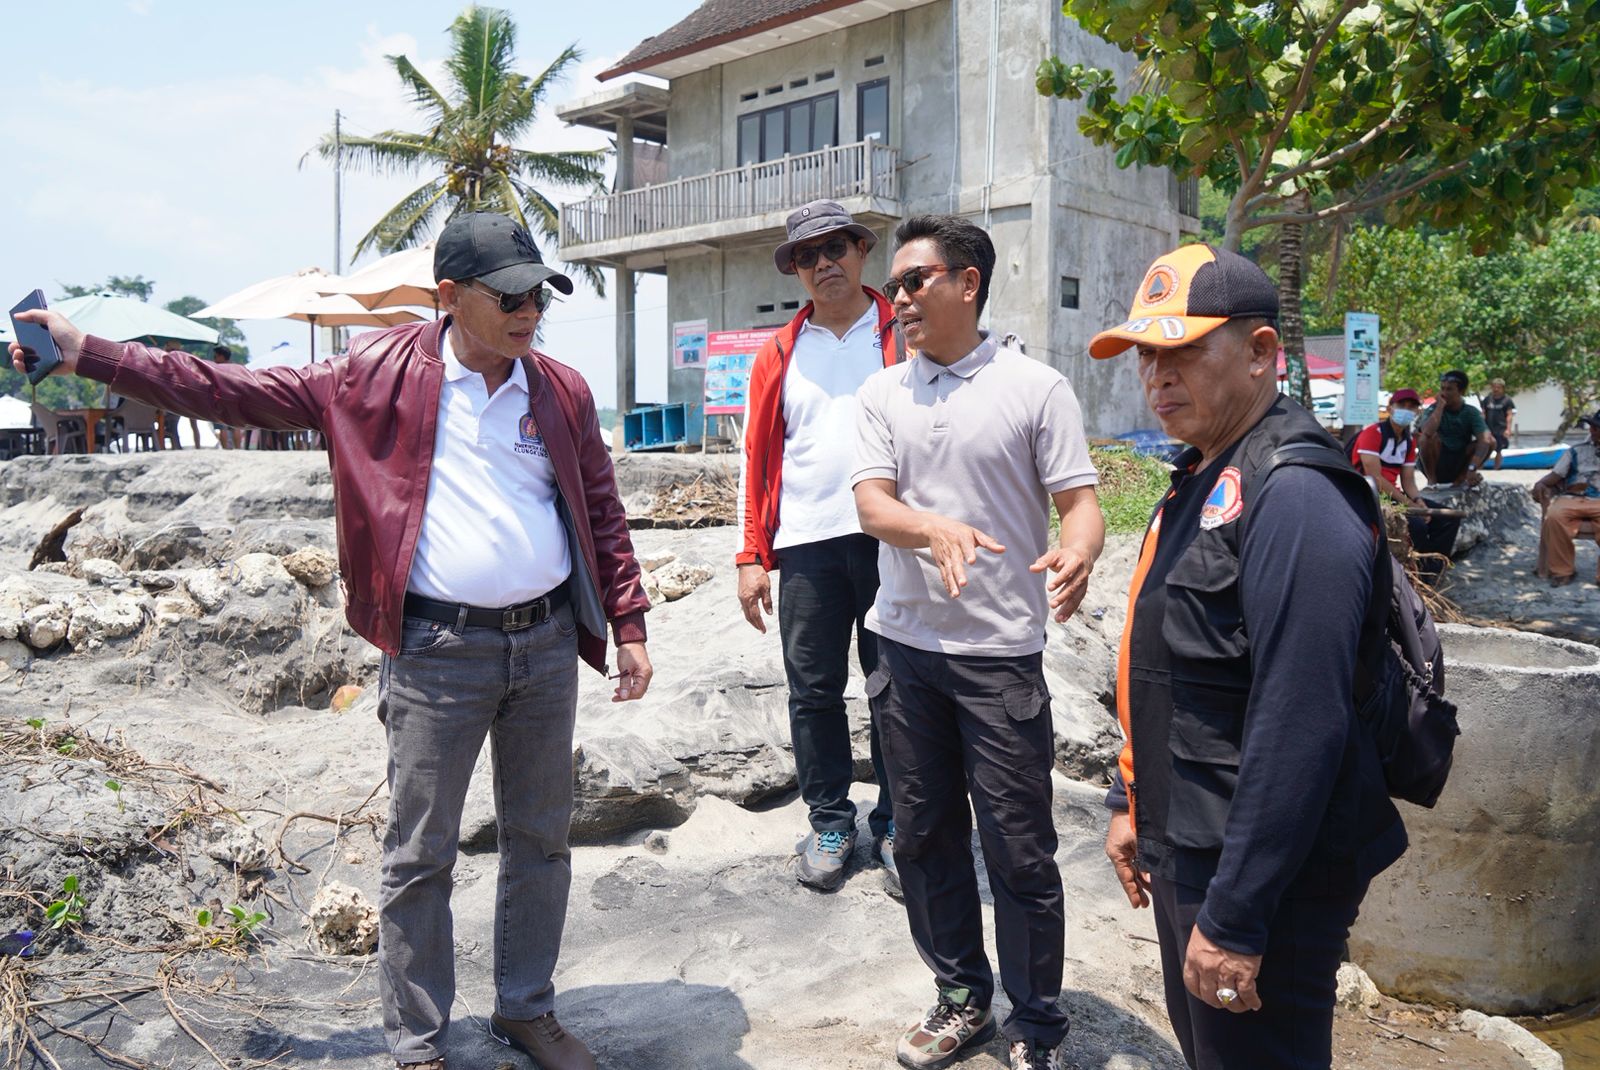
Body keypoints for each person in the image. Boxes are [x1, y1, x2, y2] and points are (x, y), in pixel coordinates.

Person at [11, 212, 654, 1070]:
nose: (530, 310)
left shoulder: (560, 390)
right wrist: (88, 352)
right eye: (510, 297)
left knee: (541, 838)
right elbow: (222, 387)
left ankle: (526, 1008)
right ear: (451, 296)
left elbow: (602, 510)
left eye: (539, 294)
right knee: (421, 853)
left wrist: (628, 623)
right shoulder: (369, 375)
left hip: (543, 646)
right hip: (436, 651)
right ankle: (419, 1042)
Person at [1089, 243, 1407, 1070]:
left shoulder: (1297, 493)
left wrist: (1236, 916)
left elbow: (1302, 721)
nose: (1157, 375)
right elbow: (1166, 668)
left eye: (1184, 350)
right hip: (1192, 840)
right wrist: (1131, 800)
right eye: (1146, 355)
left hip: (1263, 874)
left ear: (1261, 351)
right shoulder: (1202, 474)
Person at [853, 214, 1104, 1070]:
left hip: (1000, 659)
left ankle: (1035, 1023)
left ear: (968, 283)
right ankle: (961, 998)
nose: (899, 298)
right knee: (923, 838)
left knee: (1019, 848)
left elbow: (1079, 503)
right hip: (905, 653)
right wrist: (932, 529)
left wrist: (1079, 550)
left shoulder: (1036, 388)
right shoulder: (883, 393)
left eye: (914, 280)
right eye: (893, 286)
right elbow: (873, 505)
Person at [736, 200, 902, 893]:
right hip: (804, 542)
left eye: (836, 247)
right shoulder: (779, 352)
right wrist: (751, 555)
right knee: (812, 691)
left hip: (891, 539)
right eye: (807, 255)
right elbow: (755, 456)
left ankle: (896, 824)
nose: (823, 263)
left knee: (896, 687)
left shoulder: (901, 332)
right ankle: (830, 821)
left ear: (862, 251)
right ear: (796, 271)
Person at [1349, 388, 1460, 577]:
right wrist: (1409, 504)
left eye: (1411, 407)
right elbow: (1375, 478)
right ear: (1390, 408)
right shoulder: (1372, 433)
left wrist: (1418, 500)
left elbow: (1408, 480)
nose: (1406, 410)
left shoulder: (1408, 441)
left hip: (1394, 495)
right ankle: (1416, 573)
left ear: (1417, 411)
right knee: (1417, 525)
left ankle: (1433, 572)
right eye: (1402, 405)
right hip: (1369, 494)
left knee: (1448, 519)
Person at [1532, 409, 1600, 588]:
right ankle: (1562, 571)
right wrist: (1540, 484)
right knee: (1554, 516)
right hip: (1572, 497)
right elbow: (1555, 476)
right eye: (1592, 427)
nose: (1592, 431)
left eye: (1597, 428)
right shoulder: (1576, 451)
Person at [1417, 369, 1493, 486]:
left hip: (1459, 461)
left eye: (1449, 389)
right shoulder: (1433, 409)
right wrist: (1440, 407)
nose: (1444, 393)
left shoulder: (1471, 412)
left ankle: (1462, 478)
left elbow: (1485, 439)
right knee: (1426, 438)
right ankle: (1432, 481)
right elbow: (1426, 432)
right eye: (1442, 388)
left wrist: (1472, 467)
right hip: (1438, 460)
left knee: (1491, 441)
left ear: (1461, 391)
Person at [210, 345, 242, 449]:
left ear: (221, 356)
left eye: (215, 356)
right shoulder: (236, 368)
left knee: (222, 426)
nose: (214, 359)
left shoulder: (217, 369)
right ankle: (238, 449)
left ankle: (225, 450)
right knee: (236, 426)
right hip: (234, 399)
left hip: (220, 398)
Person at [1480, 378, 1516, 469]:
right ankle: (1481, 467)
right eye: (1494, 387)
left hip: (1501, 428)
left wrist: (1508, 429)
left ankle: (1496, 468)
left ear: (1503, 388)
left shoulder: (1507, 400)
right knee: (1484, 448)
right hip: (1488, 428)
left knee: (1499, 449)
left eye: (1498, 387)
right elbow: (1483, 413)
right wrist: (1481, 427)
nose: (1496, 389)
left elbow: (1509, 415)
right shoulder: (1487, 399)